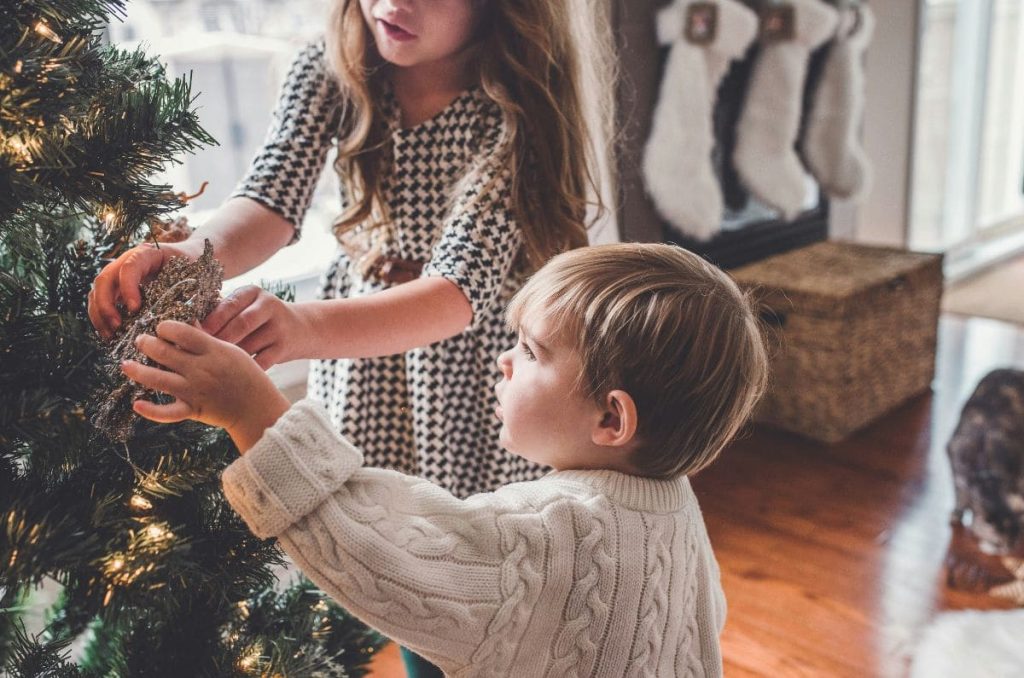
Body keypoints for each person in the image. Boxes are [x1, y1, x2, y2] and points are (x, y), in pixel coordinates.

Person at [89, 2, 611, 672]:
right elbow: (271, 200)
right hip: (363, 369)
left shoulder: (512, 106)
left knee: (455, 585)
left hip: (469, 377)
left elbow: (458, 293)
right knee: (371, 551)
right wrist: (195, 253)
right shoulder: (333, 65)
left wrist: (302, 325)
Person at [121, 242, 770, 676]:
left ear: (611, 418)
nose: (503, 359)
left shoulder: (551, 535)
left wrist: (251, 411)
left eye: (532, 351)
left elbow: (378, 550)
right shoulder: (674, 505)